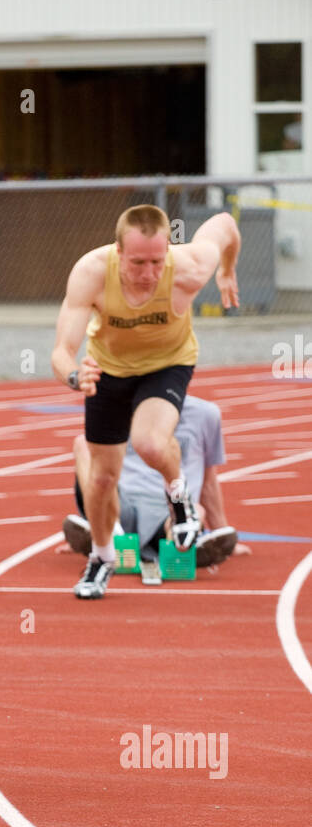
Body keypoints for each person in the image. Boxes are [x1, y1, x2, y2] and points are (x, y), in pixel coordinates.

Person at [50, 203, 241, 599]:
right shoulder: (91, 272)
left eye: (157, 262)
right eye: (137, 263)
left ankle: (179, 496)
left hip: (168, 365)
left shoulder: (188, 267)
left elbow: (224, 225)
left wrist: (227, 269)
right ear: (118, 252)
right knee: (102, 479)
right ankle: (102, 559)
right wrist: (74, 375)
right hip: (109, 370)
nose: (149, 274)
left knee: (150, 442)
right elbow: (61, 350)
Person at [62, 395, 251, 573]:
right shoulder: (118, 408)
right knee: (83, 444)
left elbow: (208, 480)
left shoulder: (206, 414)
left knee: (196, 510)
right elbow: (99, 472)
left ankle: (179, 550)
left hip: (171, 510)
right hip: (121, 508)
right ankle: (106, 534)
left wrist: (221, 533)